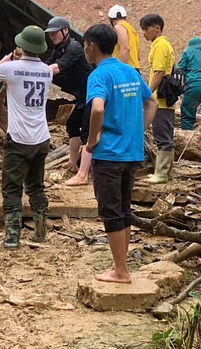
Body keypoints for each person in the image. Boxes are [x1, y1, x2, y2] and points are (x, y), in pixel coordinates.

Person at [82, 24, 157, 283]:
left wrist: (92, 140)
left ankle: (121, 271)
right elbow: (152, 102)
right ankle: (120, 265)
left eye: (85, 45)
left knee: (111, 212)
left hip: (110, 154)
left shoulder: (98, 75)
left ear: (91, 46)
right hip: (132, 153)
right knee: (124, 210)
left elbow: (98, 109)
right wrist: (136, 131)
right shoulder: (129, 71)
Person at [0, 26, 53, 249]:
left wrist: (6, 58)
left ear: (21, 46)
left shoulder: (11, 68)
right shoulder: (47, 71)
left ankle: (12, 237)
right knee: (36, 186)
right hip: (41, 136)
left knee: (12, 188)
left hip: (17, 138)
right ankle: (41, 231)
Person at [44, 16, 94, 185]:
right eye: (49, 34)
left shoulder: (74, 47)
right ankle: (72, 163)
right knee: (72, 124)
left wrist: (33, 72)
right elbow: (47, 64)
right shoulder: (59, 49)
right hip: (81, 95)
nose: (51, 37)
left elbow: (56, 68)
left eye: (54, 33)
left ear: (65, 31)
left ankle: (83, 175)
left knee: (87, 133)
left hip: (92, 94)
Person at [140, 13, 176, 183]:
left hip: (160, 99)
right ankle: (166, 172)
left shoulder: (161, 45)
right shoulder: (161, 44)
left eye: (146, 29)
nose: (144, 33)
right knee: (165, 133)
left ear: (157, 28)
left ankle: (161, 174)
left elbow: (159, 72)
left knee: (161, 134)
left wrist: (147, 94)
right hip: (163, 98)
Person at [178, 37, 201, 131]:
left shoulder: (188, 53)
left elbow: (180, 70)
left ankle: (187, 135)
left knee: (187, 114)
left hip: (194, 87)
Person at [108, 4, 140, 70]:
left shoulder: (119, 27)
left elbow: (125, 49)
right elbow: (138, 56)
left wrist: (118, 69)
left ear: (110, 19)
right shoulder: (132, 30)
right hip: (134, 68)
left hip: (125, 69)